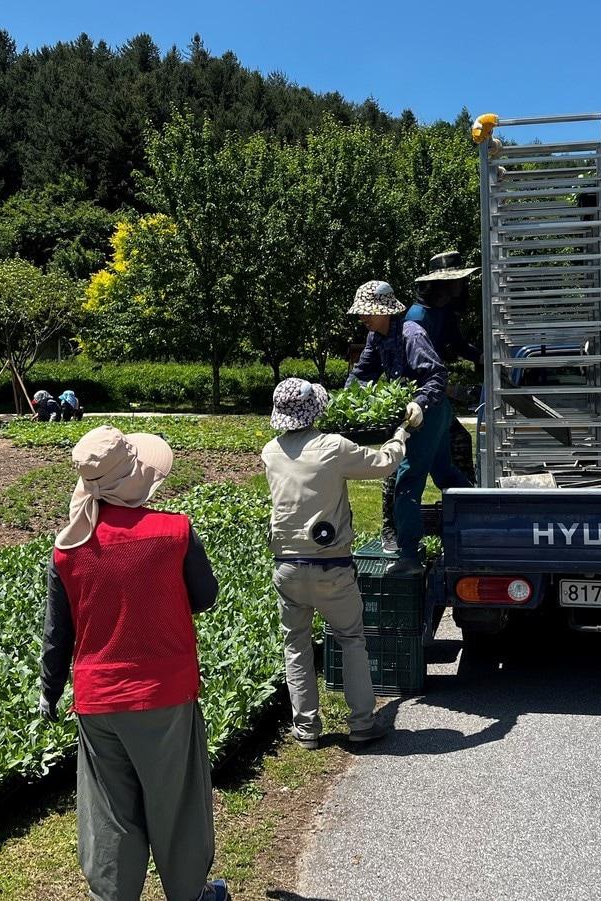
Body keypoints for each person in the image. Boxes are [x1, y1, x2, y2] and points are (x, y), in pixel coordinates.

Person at [40, 426, 230, 901]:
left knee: (110, 812)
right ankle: (190, 894)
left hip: (99, 700)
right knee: (176, 805)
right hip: (165, 694)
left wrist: (49, 691)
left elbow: (57, 635)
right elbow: (205, 596)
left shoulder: (67, 549)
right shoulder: (174, 532)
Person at [261, 377, 422, 749]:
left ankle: (306, 730)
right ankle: (362, 723)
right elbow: (383, 463)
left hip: (286, 565)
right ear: (315, 409)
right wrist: (401, 431)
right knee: (351, 639)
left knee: (296, 645)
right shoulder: (331, 447)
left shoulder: (270, 451)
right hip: (331, 564)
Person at [347, 280, 457, 574]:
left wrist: (420, 403)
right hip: (420, 415)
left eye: (368, 311)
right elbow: (362, 373)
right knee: (445, 473)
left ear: (386, 311)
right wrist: (343, 401)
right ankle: (480, 524)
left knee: (406, 481)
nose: (363, 317)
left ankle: (409, 555)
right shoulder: (376, 336)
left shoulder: (411, 333)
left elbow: (436, 375)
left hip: (428, 413)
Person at [379, 251, 482, 551]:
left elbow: (458, 345)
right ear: (441, 285)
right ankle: (392, 526)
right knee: (405, 464)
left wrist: (480, 357)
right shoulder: (415, 319)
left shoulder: (445, 312)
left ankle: (467, 509)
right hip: (418, 400)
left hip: (434, 396)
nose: (462, 287)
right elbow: (412, 367)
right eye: (457, 282)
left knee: (454, 449)